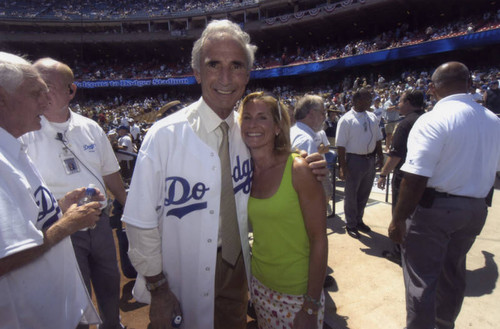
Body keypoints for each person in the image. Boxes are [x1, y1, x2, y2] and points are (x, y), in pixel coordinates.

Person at [121, 20, 327, 329]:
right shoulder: (164, 135)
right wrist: (158, 288)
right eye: (214, 65)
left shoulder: (246, 133)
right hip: (182, 270)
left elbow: (274, 167)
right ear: (198, 73)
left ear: (247, 76)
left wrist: (307, 164)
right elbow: (138, 222)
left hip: (238, 265)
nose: (225, 77)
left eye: (236, 66)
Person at [388, 62, 500, 329]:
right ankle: (443, 324)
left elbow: (415, 178)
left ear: (432, 88)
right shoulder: (493, 120)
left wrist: (398, 218)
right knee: (453, 272)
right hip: (475, 209)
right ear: (469, 86)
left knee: (421, 281)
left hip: (435, 209)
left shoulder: (433, 119)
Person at [20, 58, 127, 329]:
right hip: (58, 225)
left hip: (98, 220)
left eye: (48, 85)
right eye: (37, 85)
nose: (41, 92)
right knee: (72, 292)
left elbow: (111, 175)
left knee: (108, 280)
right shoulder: (24, 131)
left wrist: (133, 210)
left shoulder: (91, 128)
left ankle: (112, 325)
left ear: (71, 90)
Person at [0, 51, 102, 328]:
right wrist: (67, 224)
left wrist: (60, 207)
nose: (46, 102)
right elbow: (6, 257)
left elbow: (27, 222)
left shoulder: (13, 147)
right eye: (35, 94)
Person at [239, 92, 327, 329]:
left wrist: (310, 306)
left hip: (297, 294)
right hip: (259, 285)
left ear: (278, 127)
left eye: (262, 118)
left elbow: (319, 240)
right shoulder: (244, 171)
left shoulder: (300, 169)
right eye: (247, 118)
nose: (253, 125)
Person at [377, 89, 425, 265]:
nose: (398, 104)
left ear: (409, 102)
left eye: (401, 101)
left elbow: (395, 156)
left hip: (404, 178)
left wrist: (383, 174)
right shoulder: (427, 119)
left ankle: (399, 251)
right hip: (423, 177)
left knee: (400, 214)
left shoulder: (405, 124)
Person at [336, 87, 384, 239]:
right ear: (356, 101)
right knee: (351, 194)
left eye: (370, 99)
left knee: (364, 193)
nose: (370, 101)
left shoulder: (372, 116)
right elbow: (341, 146)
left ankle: (359, 220)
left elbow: (377, 138)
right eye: (367, 99)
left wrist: (381, 156)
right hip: (354, 159)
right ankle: (350, 223)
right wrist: (342, 167)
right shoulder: (346, 119)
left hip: (369, 159)